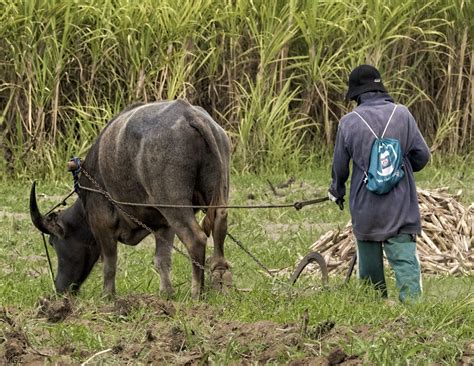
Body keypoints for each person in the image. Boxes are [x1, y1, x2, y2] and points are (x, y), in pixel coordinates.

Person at [328, 64, 431, 302]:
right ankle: (414, 313)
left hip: (366, 208)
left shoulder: (348, 122)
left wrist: (337, 191)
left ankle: (374, 315)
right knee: (405, 261)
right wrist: (400, 169)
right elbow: (422, 156)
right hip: (401, 206)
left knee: (369, 272)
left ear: (356, 94)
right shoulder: (402, 114)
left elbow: (340, 168)